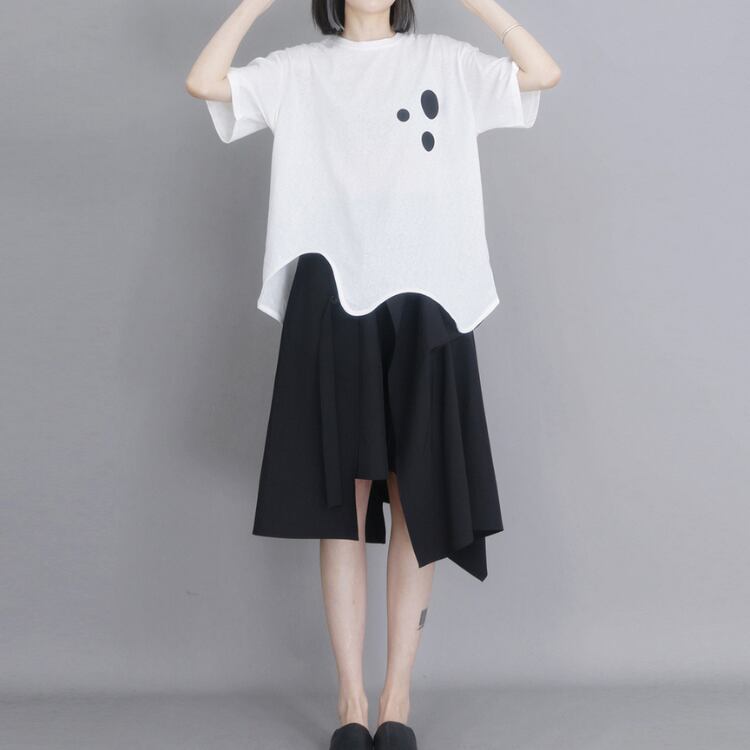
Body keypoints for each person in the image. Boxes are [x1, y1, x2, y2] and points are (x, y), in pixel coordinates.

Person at [186, 1, 560, 747]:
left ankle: (396, 698)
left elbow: (541, 73)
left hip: (429, 295)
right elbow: (204, 81)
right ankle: (351, 702)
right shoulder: (301, 70)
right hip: (335, 290)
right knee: (345, 501)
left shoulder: (443, 60)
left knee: (416, 495)